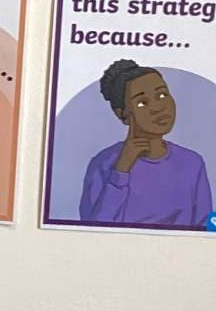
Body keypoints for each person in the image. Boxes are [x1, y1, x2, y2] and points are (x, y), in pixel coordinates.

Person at [79, 59, 212, 229]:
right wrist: (121, 171)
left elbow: (205, 227)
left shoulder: (192, 163)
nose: (158, 107)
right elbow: (91, 229)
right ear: (122, 114)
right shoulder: (104, 163)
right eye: (142, 102)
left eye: (162, 95)